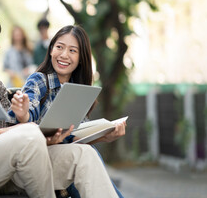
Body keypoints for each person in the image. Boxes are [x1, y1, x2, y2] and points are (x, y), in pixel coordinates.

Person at [0, 4, 119, 198]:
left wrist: (38, 134)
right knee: (28, 131)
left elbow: (17, 132)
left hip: (15, 164)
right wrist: (13, 131)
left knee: (84, 155)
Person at [9, 25, 126, 198]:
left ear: (81, 58)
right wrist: (22, 113)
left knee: (88, 152)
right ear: (50, 50)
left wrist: (105, 135)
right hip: (35, 159)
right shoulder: (39, 80)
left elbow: (76, 134)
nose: (64, 55)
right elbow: (28, 112)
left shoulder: (78, 90)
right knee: (85, 154)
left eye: (72, 50)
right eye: (59, 47)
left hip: (62, 156)